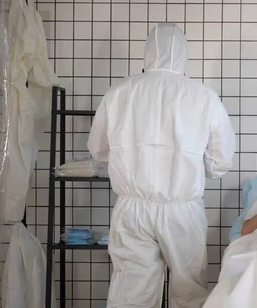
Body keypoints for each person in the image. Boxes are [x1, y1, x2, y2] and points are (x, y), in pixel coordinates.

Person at [88, 23, 236, 308]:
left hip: (131, 207)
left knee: (131, 291)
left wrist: (126, 165)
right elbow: (221, 159)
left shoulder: (119, 92)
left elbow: (98, 149)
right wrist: (196, 169)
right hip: (182, 209)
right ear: (184, 54)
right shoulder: (202, 96)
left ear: (147, 53)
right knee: (189, 291)